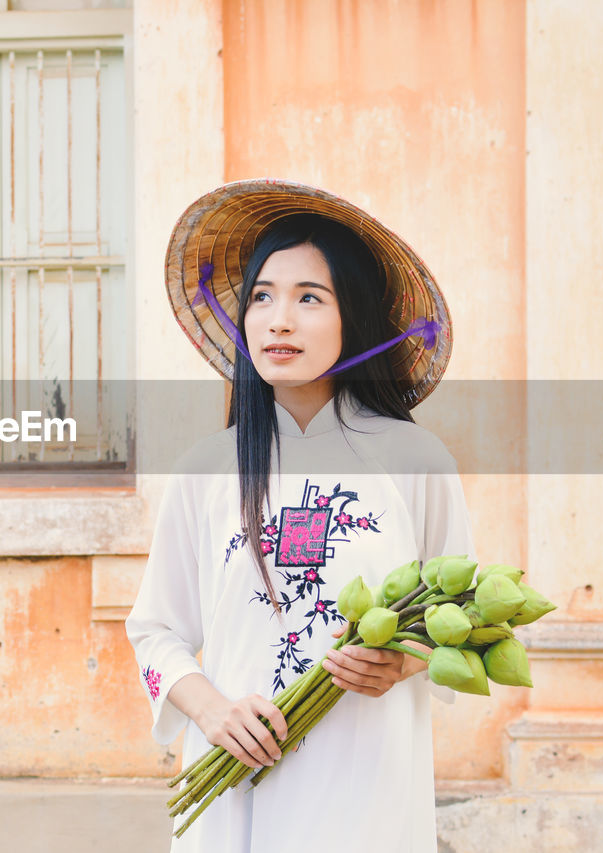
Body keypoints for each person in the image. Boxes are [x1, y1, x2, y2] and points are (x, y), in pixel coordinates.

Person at [126, 179, 475, 852]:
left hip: (366, 786)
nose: (278, 319)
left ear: (357, 319)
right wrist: (212, 709)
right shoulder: (206, 468)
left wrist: (402, 664)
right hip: (232, 790)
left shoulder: (415, 460)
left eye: (309, 298)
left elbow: (457, 623)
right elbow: (154, 631)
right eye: (263, 296)